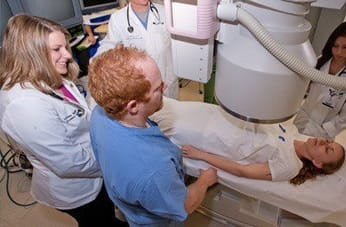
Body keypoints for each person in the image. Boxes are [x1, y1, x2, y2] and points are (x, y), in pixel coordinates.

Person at [0, 15, 126, 227]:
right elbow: (69, 163)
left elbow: (78, 112)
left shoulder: (45, 74)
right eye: (57, 49)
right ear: (32, 54)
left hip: (93, 168)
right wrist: (116, 161)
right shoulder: (23, 106)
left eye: (65, 47)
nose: (67, 55)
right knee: (98, 220)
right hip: (79, 189)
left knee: (107, 215)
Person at [88, 44, 217, 227]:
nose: (165, 87)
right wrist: (204, 181)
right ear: (133, 106)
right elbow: (185, 205)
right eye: (157, 88)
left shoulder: (99, 114)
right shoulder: (154, 171)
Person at [293, 21, 346, 139]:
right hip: (302, 120)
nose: (339, 52)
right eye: (335, 46)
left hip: (323, 130)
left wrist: (326, 130)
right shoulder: (321, 62)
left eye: (345, 47)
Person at [94, 0, 179, 99]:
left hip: (166, 77)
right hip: (139, 82)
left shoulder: (166, 12)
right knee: (145, 111)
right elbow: (108, 45)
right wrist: (96, 63)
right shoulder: (118, 18)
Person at [182, 137, 345, 185]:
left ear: (317, 163)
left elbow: (241, 171)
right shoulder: (292, 130)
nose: (325, 142)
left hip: (215, 140)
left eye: (327, 149)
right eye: (329, 141)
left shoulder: (290, 166)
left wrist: (201, 155)